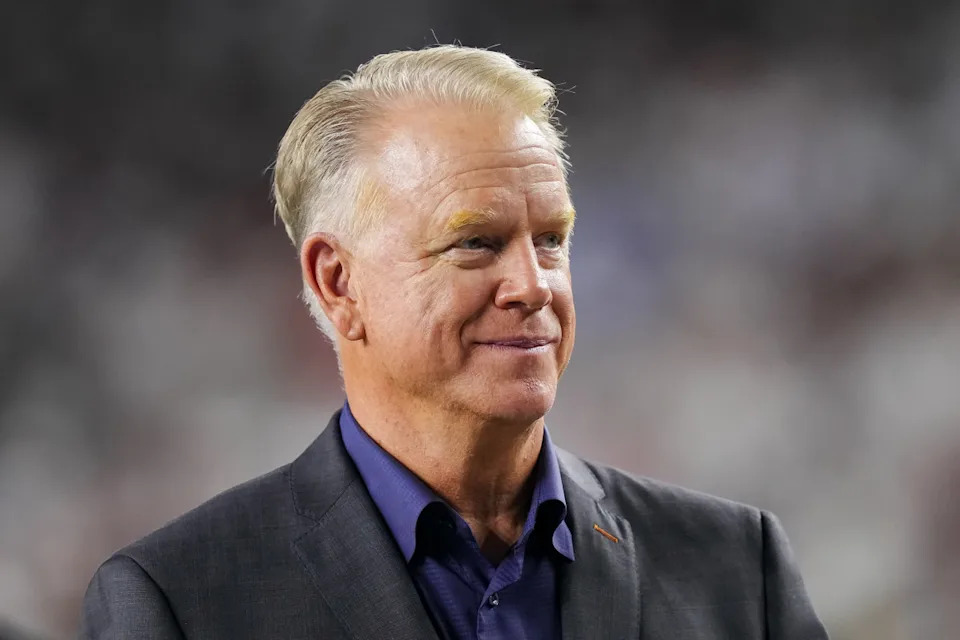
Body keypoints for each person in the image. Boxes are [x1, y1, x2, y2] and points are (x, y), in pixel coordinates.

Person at [79, 45, 829, 639]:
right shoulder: (179, 602)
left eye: (552, 239)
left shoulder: (736, 568)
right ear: (339, 282)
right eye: (476, 242)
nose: (534, 285)